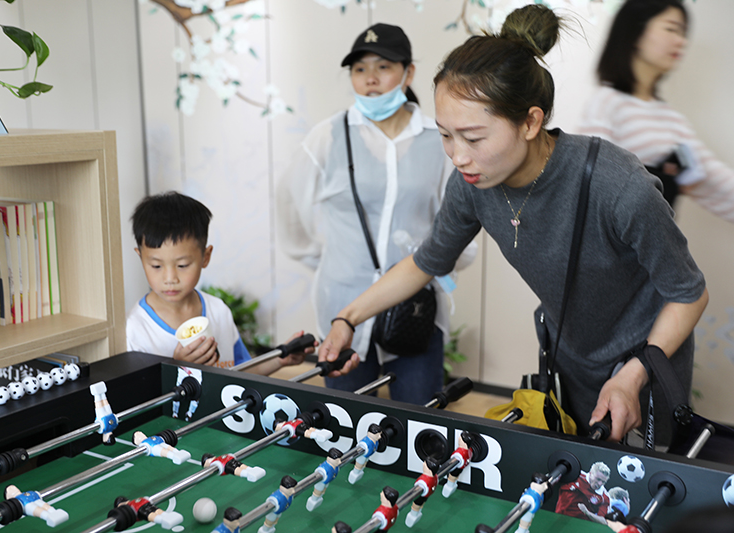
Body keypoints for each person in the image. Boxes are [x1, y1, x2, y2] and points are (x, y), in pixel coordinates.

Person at [318, 4, 708, 443]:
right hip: (568, 361)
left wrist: (633, 376)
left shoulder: (618, 185)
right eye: (445, 135)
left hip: (646, 362)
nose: (457, 156)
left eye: (474, 137)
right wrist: (348, 318)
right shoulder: (473, 184)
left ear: (531, 121)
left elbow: (689, 294)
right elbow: (426, 262)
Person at [276, 23, 477, 405]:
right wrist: (327, 260)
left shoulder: (438, 138)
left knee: (419, 417)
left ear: (408, 73)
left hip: (415, 307)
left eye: (383, 67)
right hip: (341, 304)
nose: (370, 79)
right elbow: (288, 203)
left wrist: (440, 265)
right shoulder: (329, 135)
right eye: (359, 69)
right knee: (345, 417)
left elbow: (459, 220)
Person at [577, 0, 734, 221]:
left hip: (655, 241)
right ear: (635, 31)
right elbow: (588, 183)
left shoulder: (671, 120)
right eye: (671, 29)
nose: (681, 41)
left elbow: (712, 177)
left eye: (683, 33)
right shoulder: (607, 103)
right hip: (615, 242)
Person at [126, 192, 313, 375]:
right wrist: (179, 369)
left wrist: (279, 359)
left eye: (182, 265)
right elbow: (143, 395)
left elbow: (242, 373)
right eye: (156, 266)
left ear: (205, 257)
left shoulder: (218, 311)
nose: (170, 279)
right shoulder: (136, 329)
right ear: (141, 257)